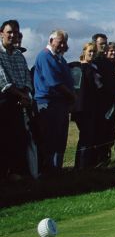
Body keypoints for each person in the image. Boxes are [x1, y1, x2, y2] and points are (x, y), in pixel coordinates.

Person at [33, 29, 76, 173]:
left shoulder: (60, 59)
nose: (63, 45)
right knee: (49, 137)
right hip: (48, 102)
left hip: (61, 103)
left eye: (65, 42)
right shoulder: (45, 56)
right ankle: (47, 170)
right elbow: (54, 82)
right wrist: (71, 95)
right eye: (60, 42)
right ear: (51, 40)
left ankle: (57, 169)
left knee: (60, 137)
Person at [0, 20, 34, 180]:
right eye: (9, 32)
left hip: (20, 100)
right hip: (4, 99)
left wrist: (26, 94)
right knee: (4, 137)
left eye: (15, 32)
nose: (12, 35)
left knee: (18, 137)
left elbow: (26, 77)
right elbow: (4, 80)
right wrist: (20, 95)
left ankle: (15, 172)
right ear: (1, 34)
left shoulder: (19, 55)